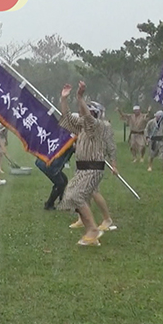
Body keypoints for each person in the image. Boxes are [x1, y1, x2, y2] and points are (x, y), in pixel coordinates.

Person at [56, 81, 115, 247]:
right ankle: (92, 236)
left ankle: (93, 229)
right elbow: (66, 119)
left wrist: (80, 97)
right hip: (82, 169)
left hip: (93, 168)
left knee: (77, 196)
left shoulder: (97, 126)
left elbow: (87, 117)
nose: (81, 112)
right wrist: (63, 99)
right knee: (70, 197)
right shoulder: (81, 126)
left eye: (86, 110)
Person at [68, 103, 119, 232]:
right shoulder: (83, 126)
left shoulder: (103, 127)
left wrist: (114, 165)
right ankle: (81, 219)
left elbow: (111, 147)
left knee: (93, 192)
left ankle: (107, 219)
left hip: (94, 164)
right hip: (81, 164)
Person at [36, 141, 75, 211]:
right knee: (60, 183)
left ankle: (63, 202)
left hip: (47, 162)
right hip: (48, 164)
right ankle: (49, 204)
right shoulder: (69, 142)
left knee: (64, 180)